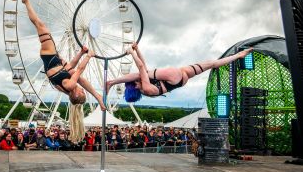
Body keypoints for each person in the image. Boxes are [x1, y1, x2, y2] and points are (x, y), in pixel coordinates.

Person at [20, 0, 105, 111]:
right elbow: (70, 66)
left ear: (76, 94)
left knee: (40, 25)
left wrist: (88, 56)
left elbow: (80, 69)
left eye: (82, 92)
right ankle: (98, 96)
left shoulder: (70, 86)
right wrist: (81, 53)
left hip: (50, 56)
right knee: (75, 74)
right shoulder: (66, 86)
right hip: (55, 61)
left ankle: (26, 1)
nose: (82, 90)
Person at [106, 42, 254, 102]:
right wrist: (132, 52)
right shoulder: (145, 87)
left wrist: (137, 50)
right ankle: (111, 82)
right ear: (135, 88)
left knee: (212, 64)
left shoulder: (147, 90)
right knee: (141, 72)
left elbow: (144, 67)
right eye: (134, 84)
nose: (136, 83)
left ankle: (238, 56)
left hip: (180, 80)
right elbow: (141, 68)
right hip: (173, 76)